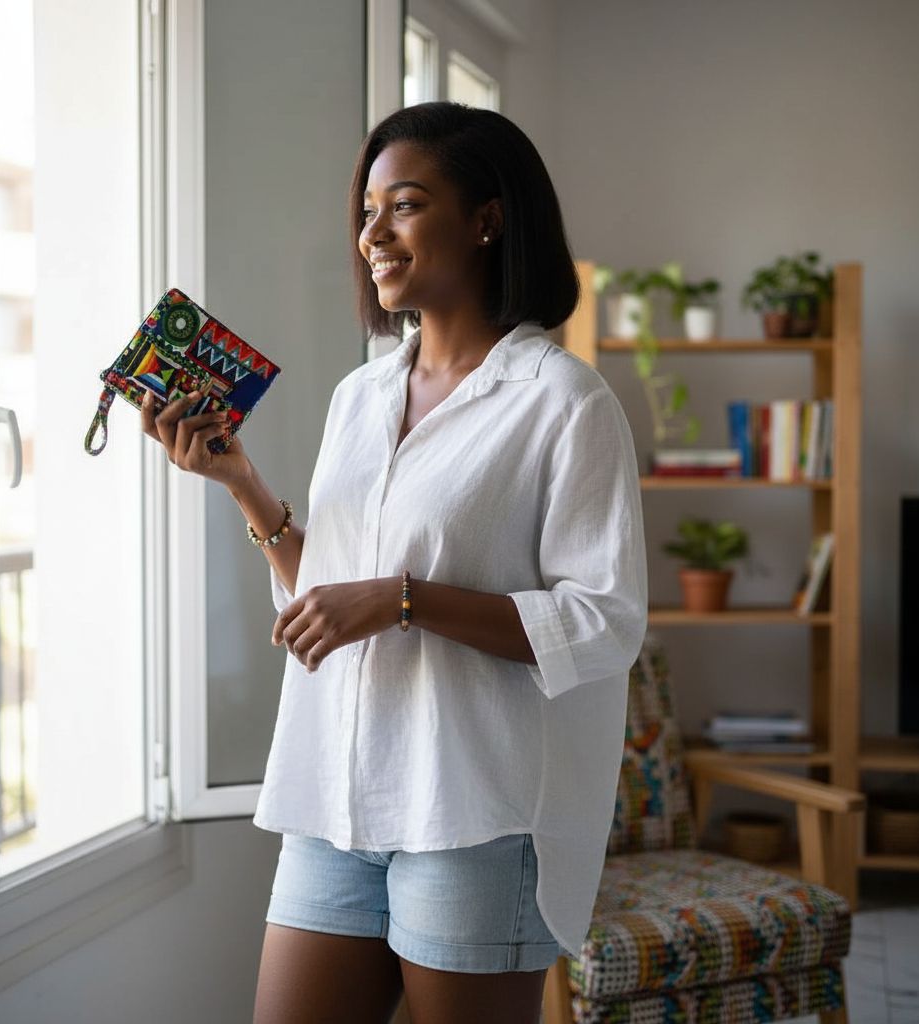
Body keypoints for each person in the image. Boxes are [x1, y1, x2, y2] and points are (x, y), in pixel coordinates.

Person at [142, 101, 648, 1024]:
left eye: (404, 205)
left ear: (487, 219)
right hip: (335, 799)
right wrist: (243, 483)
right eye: (366, 211)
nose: (371, 234)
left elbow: (604, 622)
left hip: (473, 814)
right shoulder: (361, 395)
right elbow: (332, 594)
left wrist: (405, 600)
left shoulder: (564, 402)